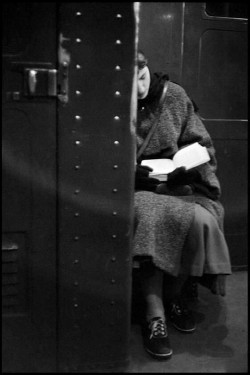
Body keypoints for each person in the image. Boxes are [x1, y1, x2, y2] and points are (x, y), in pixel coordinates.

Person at [133, 51, 232, 360]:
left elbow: (202, 143)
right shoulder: (110, 103)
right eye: (129, 82)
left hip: (179, 185)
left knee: (203, 221)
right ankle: (155, 314)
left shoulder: (174, 95)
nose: (138, 88)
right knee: (150, 217)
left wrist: (186, 168)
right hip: (137, 188)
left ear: (147, 66)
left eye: (142, 77)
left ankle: (174, 295)